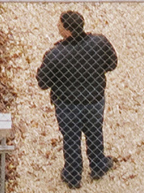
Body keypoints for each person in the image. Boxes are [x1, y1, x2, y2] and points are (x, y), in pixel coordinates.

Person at [37, 10, 119, 188]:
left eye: (60, 25)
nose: (57, 26)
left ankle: (73, 176)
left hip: (67, 105)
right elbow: (112, 63)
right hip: (94, 100)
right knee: (95, 132)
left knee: (71, 139)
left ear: (67, 31)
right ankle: (98, 166)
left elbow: (43, 82)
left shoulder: (55, 55)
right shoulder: (99, 43)